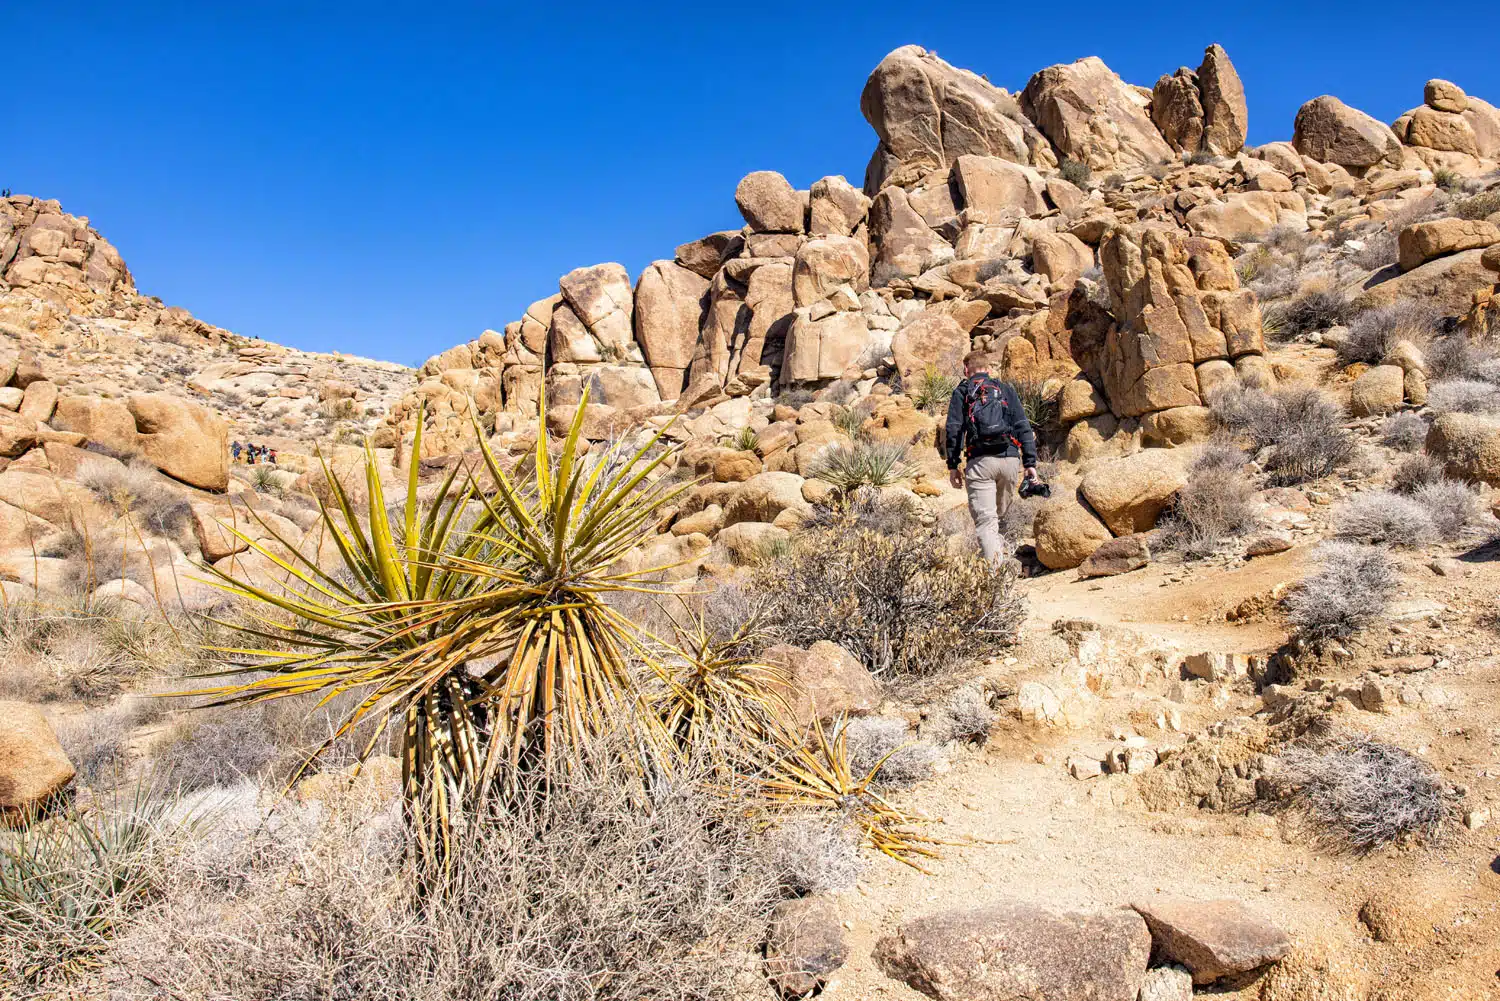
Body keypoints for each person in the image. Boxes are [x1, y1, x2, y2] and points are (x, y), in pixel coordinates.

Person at [943, 350, 1040, 564]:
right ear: (988, 369)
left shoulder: (962, 392)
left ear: (966, 370)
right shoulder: (1004, 389)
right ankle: (1000, 556)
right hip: (1010, 460)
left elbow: (954, 429)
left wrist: (953, 465)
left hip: (980, 462)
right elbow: (1022, 425)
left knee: (986, 522)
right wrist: (1030, 462)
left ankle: (996, 580)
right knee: (997, 515)